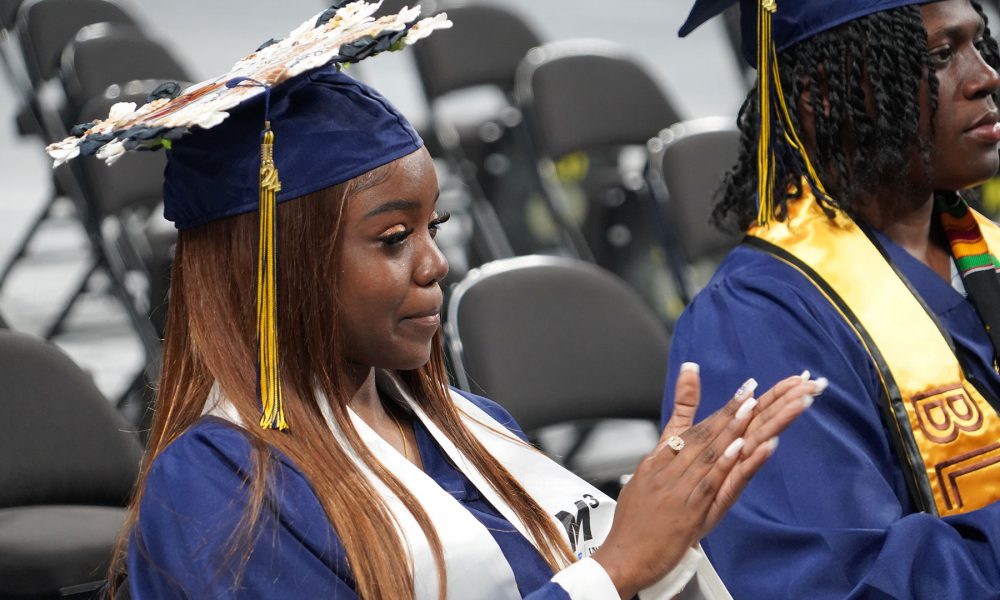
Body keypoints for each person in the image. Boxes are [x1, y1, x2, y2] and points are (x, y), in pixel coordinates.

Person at [49, 4, 821, 598]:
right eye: (392, 239)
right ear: (280, 271)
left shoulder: (478, 433)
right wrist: (617, 569)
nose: (436, 264)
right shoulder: (219, 490)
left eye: (434, 226)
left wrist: (671, 536)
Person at [663, 0, 1000, 598]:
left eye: (980, 44)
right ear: (825, 94)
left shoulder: (985, 251)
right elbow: (833, 580)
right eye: (941, 56)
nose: (984, 78)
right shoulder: (756, 323)